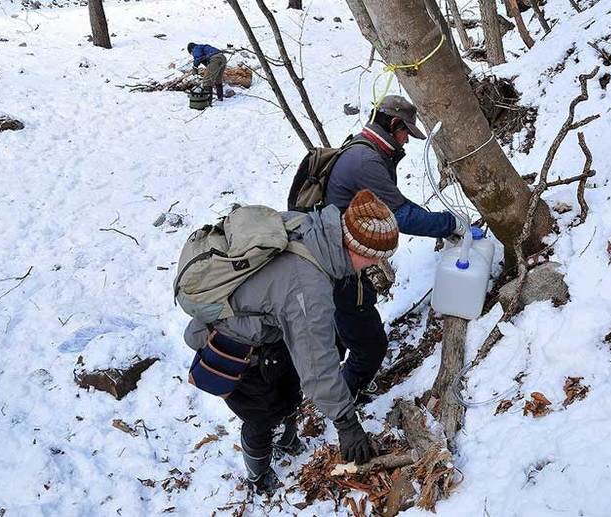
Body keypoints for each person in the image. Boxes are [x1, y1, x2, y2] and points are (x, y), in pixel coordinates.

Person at [182, 190, 399, 495]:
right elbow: (318, 367)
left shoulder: (312, 226)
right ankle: (258, 476)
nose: (375, 264)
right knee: (260, 417)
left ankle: (287, 438)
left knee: (287, 393)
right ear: (358, 248)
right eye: (376, 257)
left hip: (270, 332)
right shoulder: (307, 286)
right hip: (240, 350)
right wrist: (347, 424)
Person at [324, 95, 464, 400]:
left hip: (337, 257)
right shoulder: (367, 161)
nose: (407, 141)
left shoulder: (366, 149)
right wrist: (449, 225)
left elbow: (396, 203)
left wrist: (440, 222)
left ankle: (332, 382)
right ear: (394, 124)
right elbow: (399, 216)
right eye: (405, 133)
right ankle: (343, 401)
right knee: (370, 343)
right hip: (340, 264)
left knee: (343, 326)